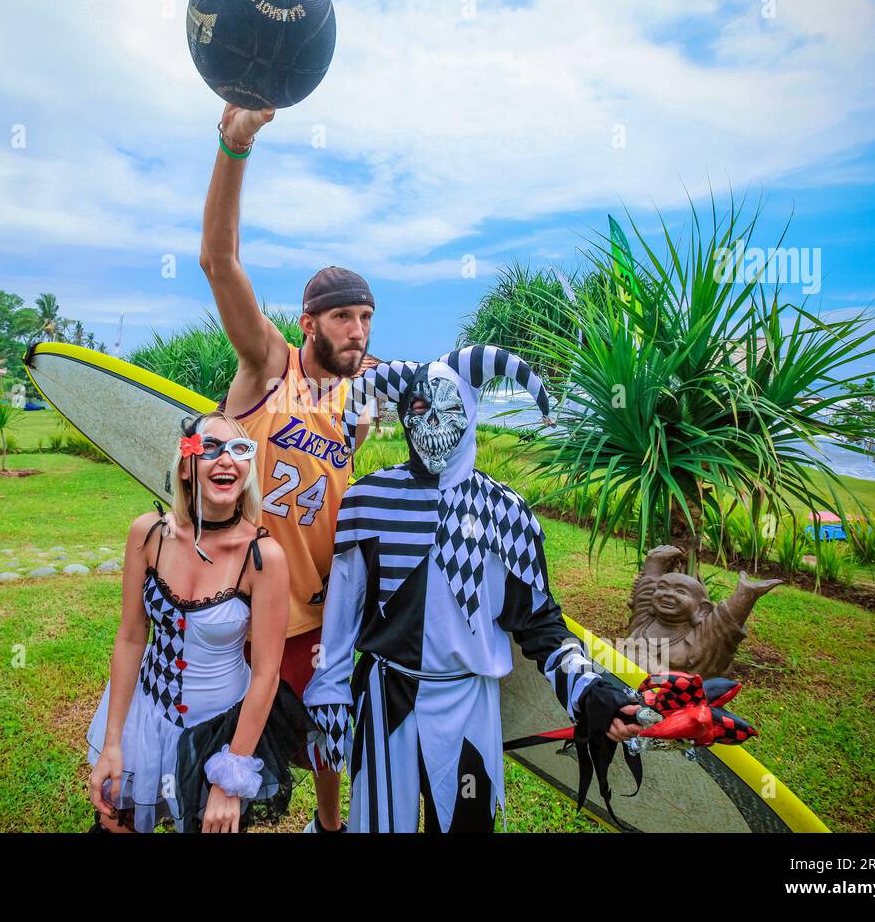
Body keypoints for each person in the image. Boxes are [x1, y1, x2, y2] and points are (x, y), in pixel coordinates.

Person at [304, 345, 646, 832]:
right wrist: (331, 687)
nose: (432, 420)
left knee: (467, 823)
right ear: (403, 416)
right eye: (419, 407)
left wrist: (590, 689)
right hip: (385, 696)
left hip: (467, 703)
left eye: (448, 405)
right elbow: (342, 610)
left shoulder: (506, 513)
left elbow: (540, 623)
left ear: (470, 407)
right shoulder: (368, 500)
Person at [199, 101, 377, 832]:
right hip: (231, 612)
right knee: (218, 764)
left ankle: (329, 828)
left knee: (327, 742)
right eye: (344, 317)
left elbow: (328, 496)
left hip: (311, 617)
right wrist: (234, 146)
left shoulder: (360, 406)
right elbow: (219, 259)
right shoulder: (268, 366)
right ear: (309, 323)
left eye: (366, 317)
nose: (358, 331)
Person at [86, 410, 310, 833]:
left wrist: (231, 776)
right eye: (210, 448)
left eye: (239, 450)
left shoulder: (263, 558)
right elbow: (132, 637)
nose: (226, 460)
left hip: (222, 735)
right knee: (116, 823)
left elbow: (265, 675)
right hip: (146, 719)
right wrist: (113, 741)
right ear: (186, 466)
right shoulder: (148, 535)